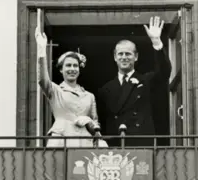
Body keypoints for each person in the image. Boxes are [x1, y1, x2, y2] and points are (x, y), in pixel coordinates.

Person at [97, 16, 172, 147]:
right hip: (115, 145)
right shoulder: (106, 89)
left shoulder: (146, 80)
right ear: (115, 57)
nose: (124, 57)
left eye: (128, 54)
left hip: (142, 144)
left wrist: (156, 42)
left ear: (135, 57)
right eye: (120, 54)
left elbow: (164, 72)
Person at [35, 15, 107, 148]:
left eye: (75, 66)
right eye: (68, 66)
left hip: (84, 142)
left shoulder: (89, 96)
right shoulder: (55, 90)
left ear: (79, 70)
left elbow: (96, 127)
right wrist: (41, 51)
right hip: (61, 140)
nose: (72, 69)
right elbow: (42, 79)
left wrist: (90, 122)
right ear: (61, 70)